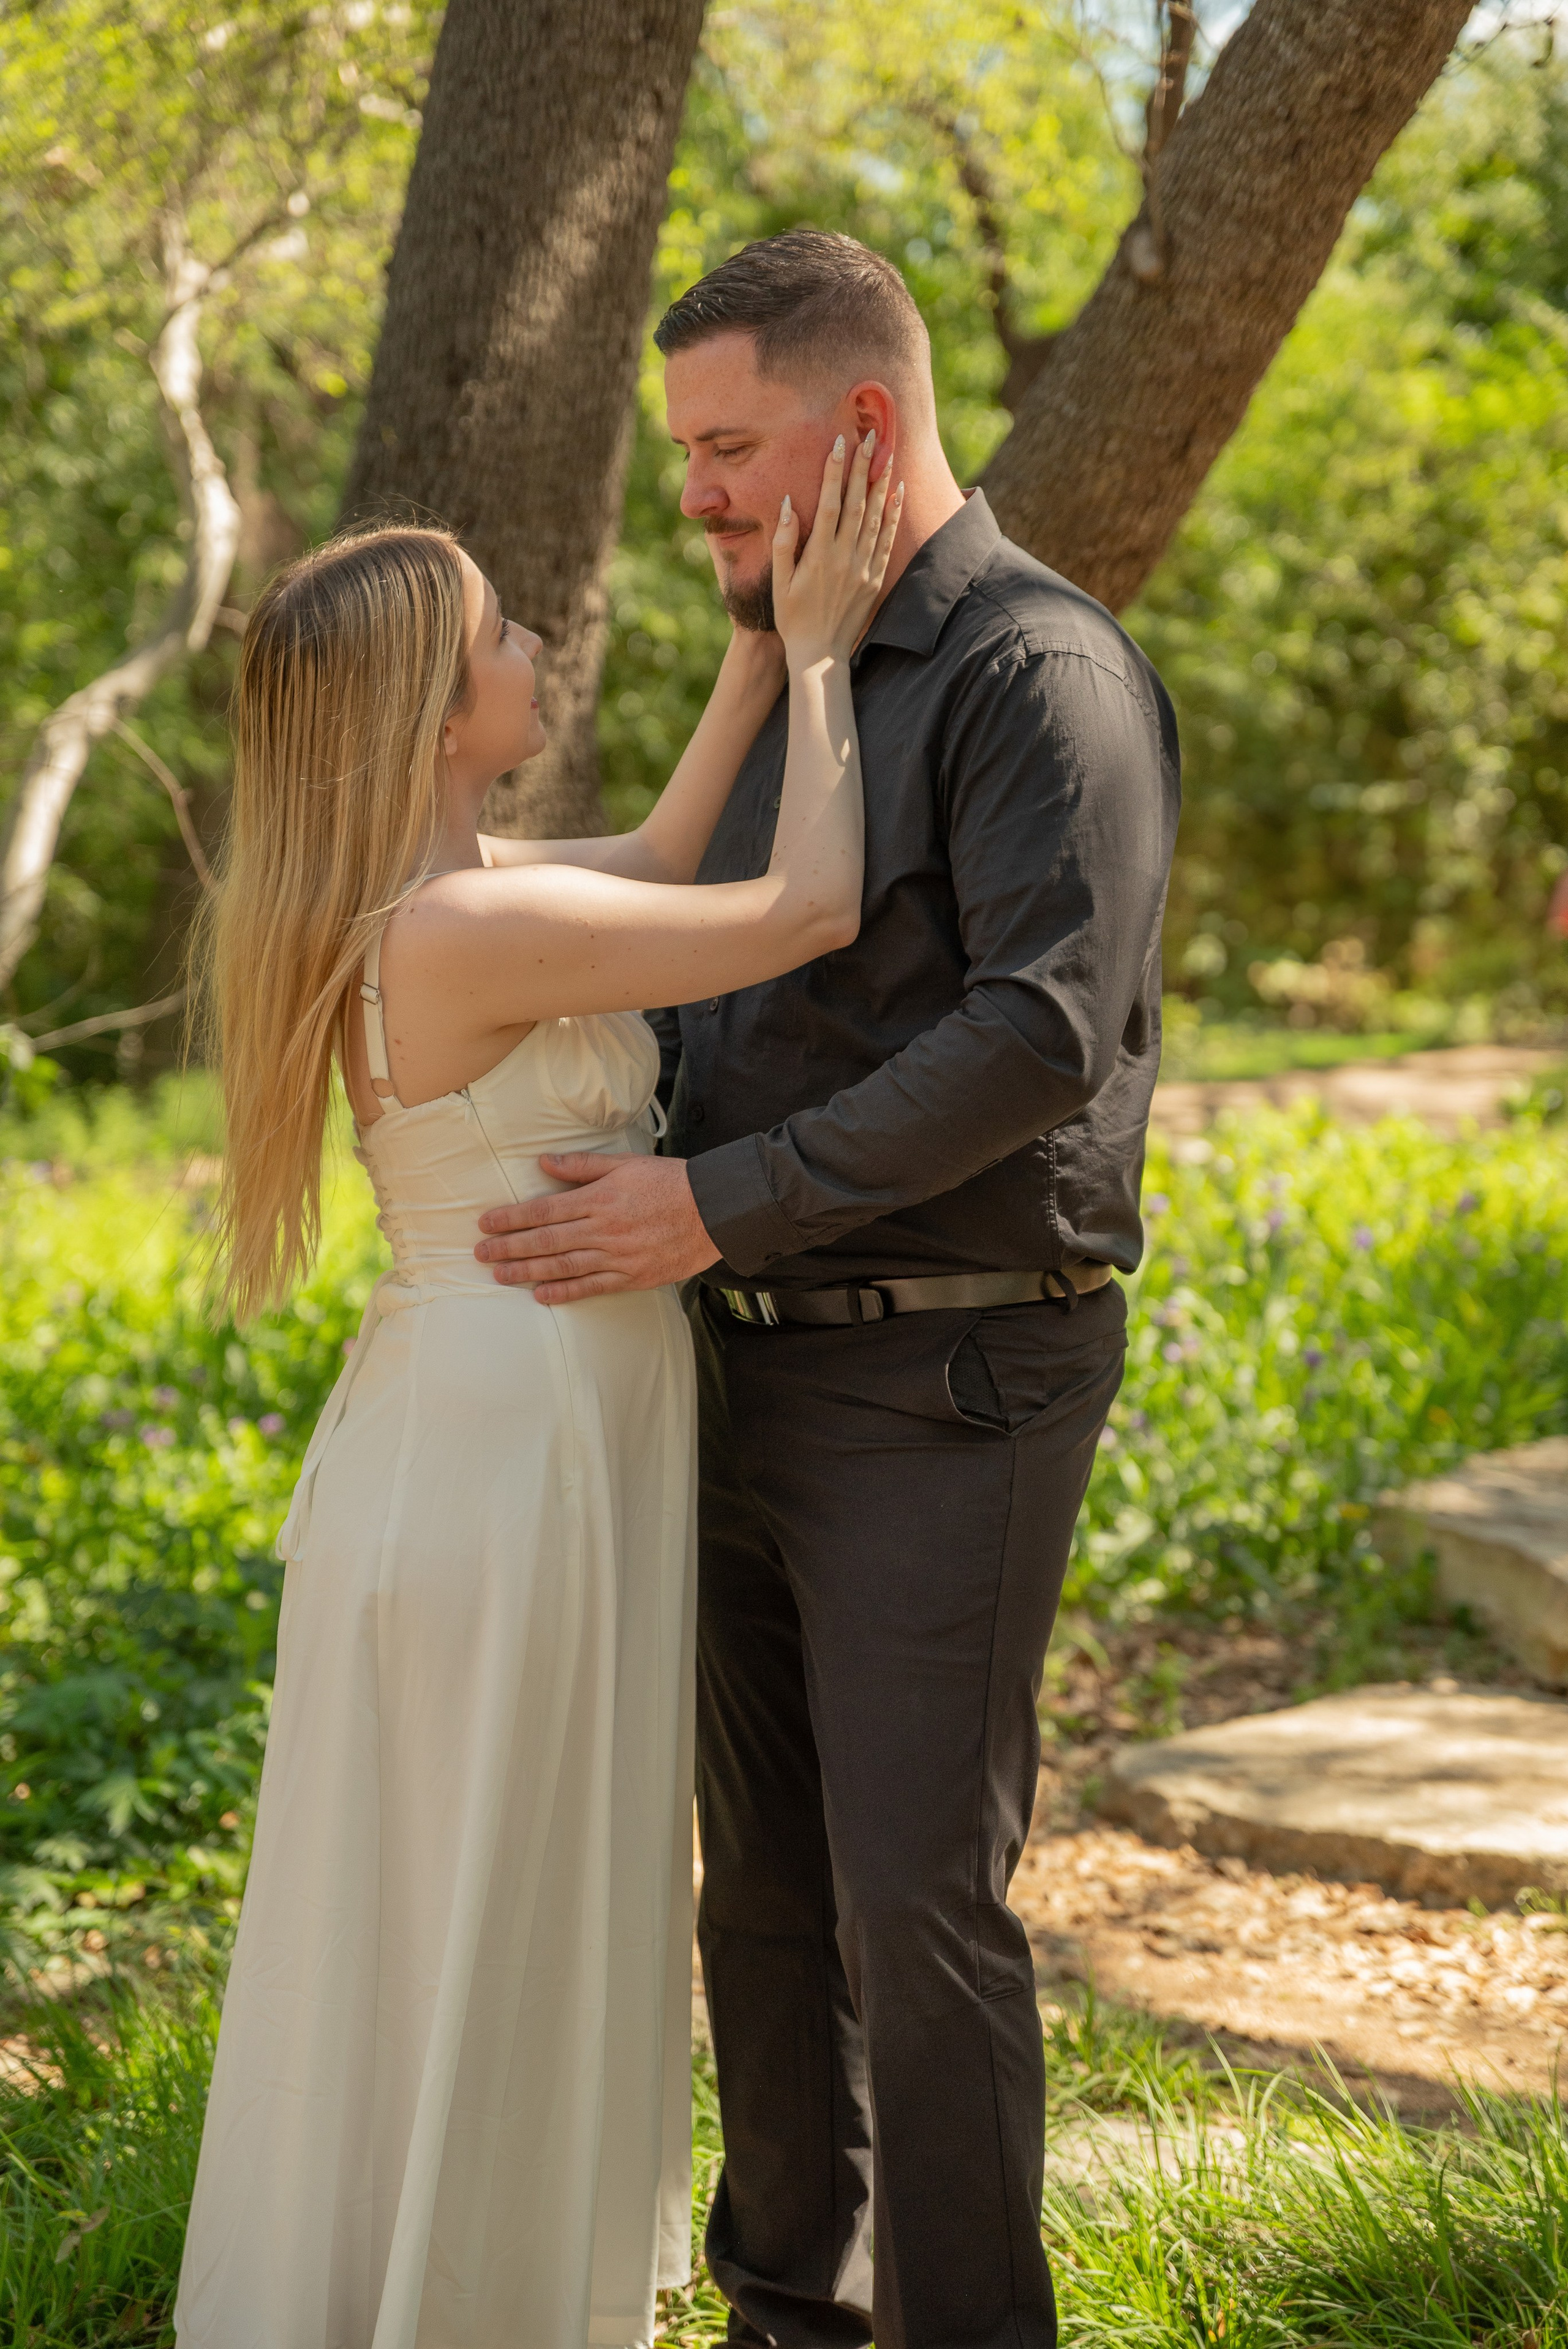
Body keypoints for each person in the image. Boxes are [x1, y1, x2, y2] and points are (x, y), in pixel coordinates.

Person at [473, 230, 1181, 2349]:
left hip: (949, 1375)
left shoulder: (1038, 675)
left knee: (913, 1905)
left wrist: (713, 1197)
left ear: (860, 425)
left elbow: (1041, 1031)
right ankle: (796, 2311)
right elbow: (724, 967)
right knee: (763, 1899)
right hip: (735, 1370)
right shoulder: (796, 657)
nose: (687, 491)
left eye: (722, 446)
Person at [173, 437, 901, 2348]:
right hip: (500, 1456)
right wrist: (827, 663)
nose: (537, 639)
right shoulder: (464, 931)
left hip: (493, 1436)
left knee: (469, 1883)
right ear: (433, 712)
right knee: (480, 1889)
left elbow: (668, 864)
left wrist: (754, 639)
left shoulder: (459, 890)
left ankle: (441, 2285)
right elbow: (801, 902)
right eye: (502, 630)